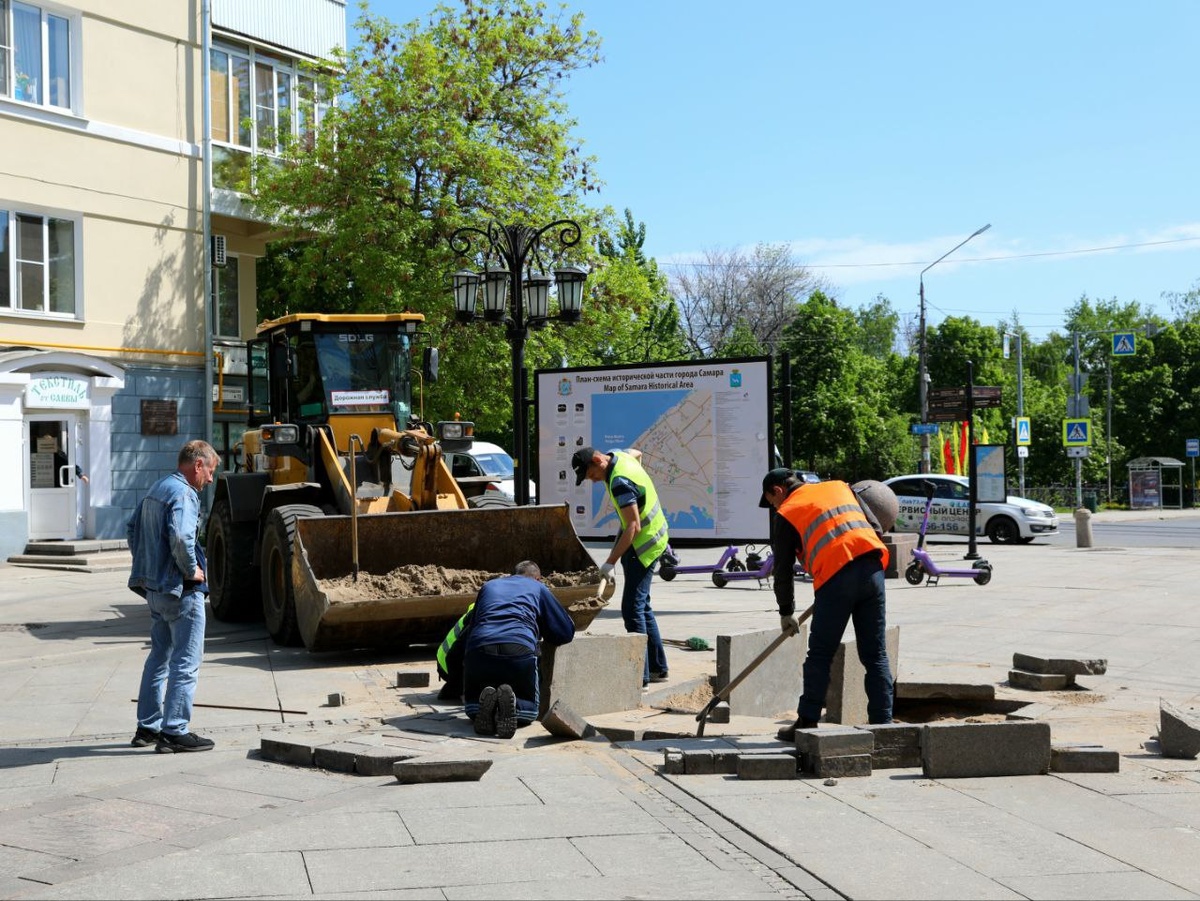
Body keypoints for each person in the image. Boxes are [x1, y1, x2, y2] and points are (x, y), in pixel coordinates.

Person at [759, 467, 893, 741]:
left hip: (836, 579)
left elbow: (782, 570)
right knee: (875, 654)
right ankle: (884, 725)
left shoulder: (788, 511)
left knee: (820, 654)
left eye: (772, 502)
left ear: (778, 491)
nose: (774, 508)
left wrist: (786, 612)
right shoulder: (841, 487)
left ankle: (807, 722)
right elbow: (876, 527)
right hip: (872, 570)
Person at [127, 439, 220, 753]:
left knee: (159, 658)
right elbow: (181, 536)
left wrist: (150, 566)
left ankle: (147, 729)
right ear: (197, 465)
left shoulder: (158, 488)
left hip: (156, 590)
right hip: (182, 592)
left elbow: (132, 528)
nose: (210, 479)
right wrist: (190, 569)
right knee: (186, 662)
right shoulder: (184, 492)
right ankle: (175, 731)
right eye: (209, 471)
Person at [572, 445, 670, 688]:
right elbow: (637, 452)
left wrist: (609, 563)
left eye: (590, 474)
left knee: (632, 609)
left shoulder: (619, 483)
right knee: (642, 605)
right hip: (656, 536)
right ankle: (658, 667)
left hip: (642, 547)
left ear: (597, 460)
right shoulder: (621, 456)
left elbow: (633, 526)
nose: (592, 480)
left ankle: (641, 677)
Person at [450, 560, 575, 738]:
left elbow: (471, 626)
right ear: (538, 578)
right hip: (518, 650)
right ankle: (516, 705)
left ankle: (482, 708)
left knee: (472, 708)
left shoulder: (489, 586)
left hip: (479, 650)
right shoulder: (537, 587)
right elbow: (564, 633)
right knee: (530, 712)